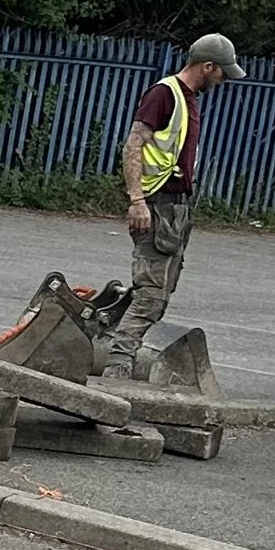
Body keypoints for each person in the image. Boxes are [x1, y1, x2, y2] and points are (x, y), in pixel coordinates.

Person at [106, 34, 246, 373]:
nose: (223, 79)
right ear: (207, 65)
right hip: (157, 205)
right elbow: (133, 145)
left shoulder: (189, 98)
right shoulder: (164, 94)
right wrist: (137, 201)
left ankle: (109, 338)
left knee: (160, 292)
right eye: (222, 73)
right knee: (151, 295)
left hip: (177, 209)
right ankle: (116, 367)